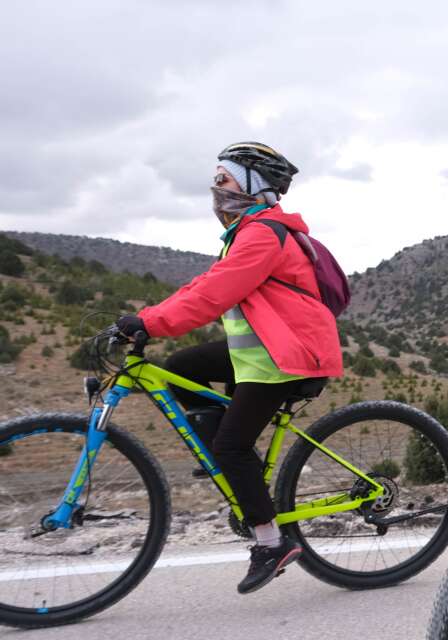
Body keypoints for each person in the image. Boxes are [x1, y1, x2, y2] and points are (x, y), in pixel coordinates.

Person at [114, 142, 343, 593]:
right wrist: (147, 317)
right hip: (262, 350)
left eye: (224, 178)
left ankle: (270, 541)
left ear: (254, 184)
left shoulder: (264, 233)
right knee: (183, 367)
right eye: (216, 179)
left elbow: (213, 297)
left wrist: (150, 323)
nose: (216, 188)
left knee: (231, 447)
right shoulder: (248, 231)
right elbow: (205, 285)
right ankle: (241, 474)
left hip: (285, 357)